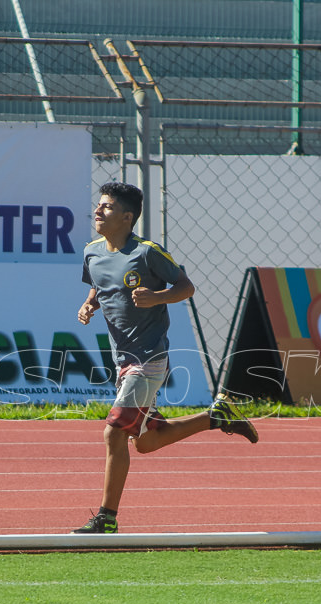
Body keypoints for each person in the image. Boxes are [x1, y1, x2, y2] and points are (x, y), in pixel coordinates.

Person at [73, 182, 259, 534]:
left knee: (114, 433)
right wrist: (89, 304)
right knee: (146, 441)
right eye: (98, 205)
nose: (98, 211)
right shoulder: (92, 253)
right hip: (123, 361)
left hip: (149, 360)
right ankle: (216, 417)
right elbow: (100, 284)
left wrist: (157, 297)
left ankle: (106, 519)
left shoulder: (147, 252)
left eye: (108, 207)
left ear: (127, 218)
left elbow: (186, 287)